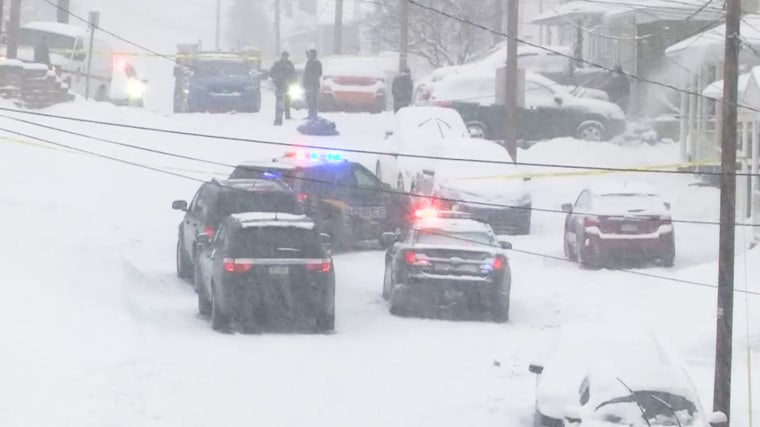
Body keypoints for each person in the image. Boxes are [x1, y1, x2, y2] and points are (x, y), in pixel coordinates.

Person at [270, 51, 297, 125]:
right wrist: (277, 78)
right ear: (282, 56)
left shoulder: (290, 64)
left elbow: (294, 74)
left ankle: (287, 114)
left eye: (286, 56)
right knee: (279, 102)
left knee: (288, 101)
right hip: (279, 86)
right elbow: (271, 73)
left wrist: (293, 81)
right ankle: (278, 118)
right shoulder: (277, 64)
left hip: (288, 86)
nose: (285, 58)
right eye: (284, 56)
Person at [302, 49, 323, 119]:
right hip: (307, 85)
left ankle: (313, 115)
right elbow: (305, 74)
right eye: (309, 54)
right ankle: (310, 114)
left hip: (313, 85)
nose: (310, 55)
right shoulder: (308, 62)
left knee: (313, 101)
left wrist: (311, 75)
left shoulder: (317, 63)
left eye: (311, 54)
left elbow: (319, 73)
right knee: (308, 101)